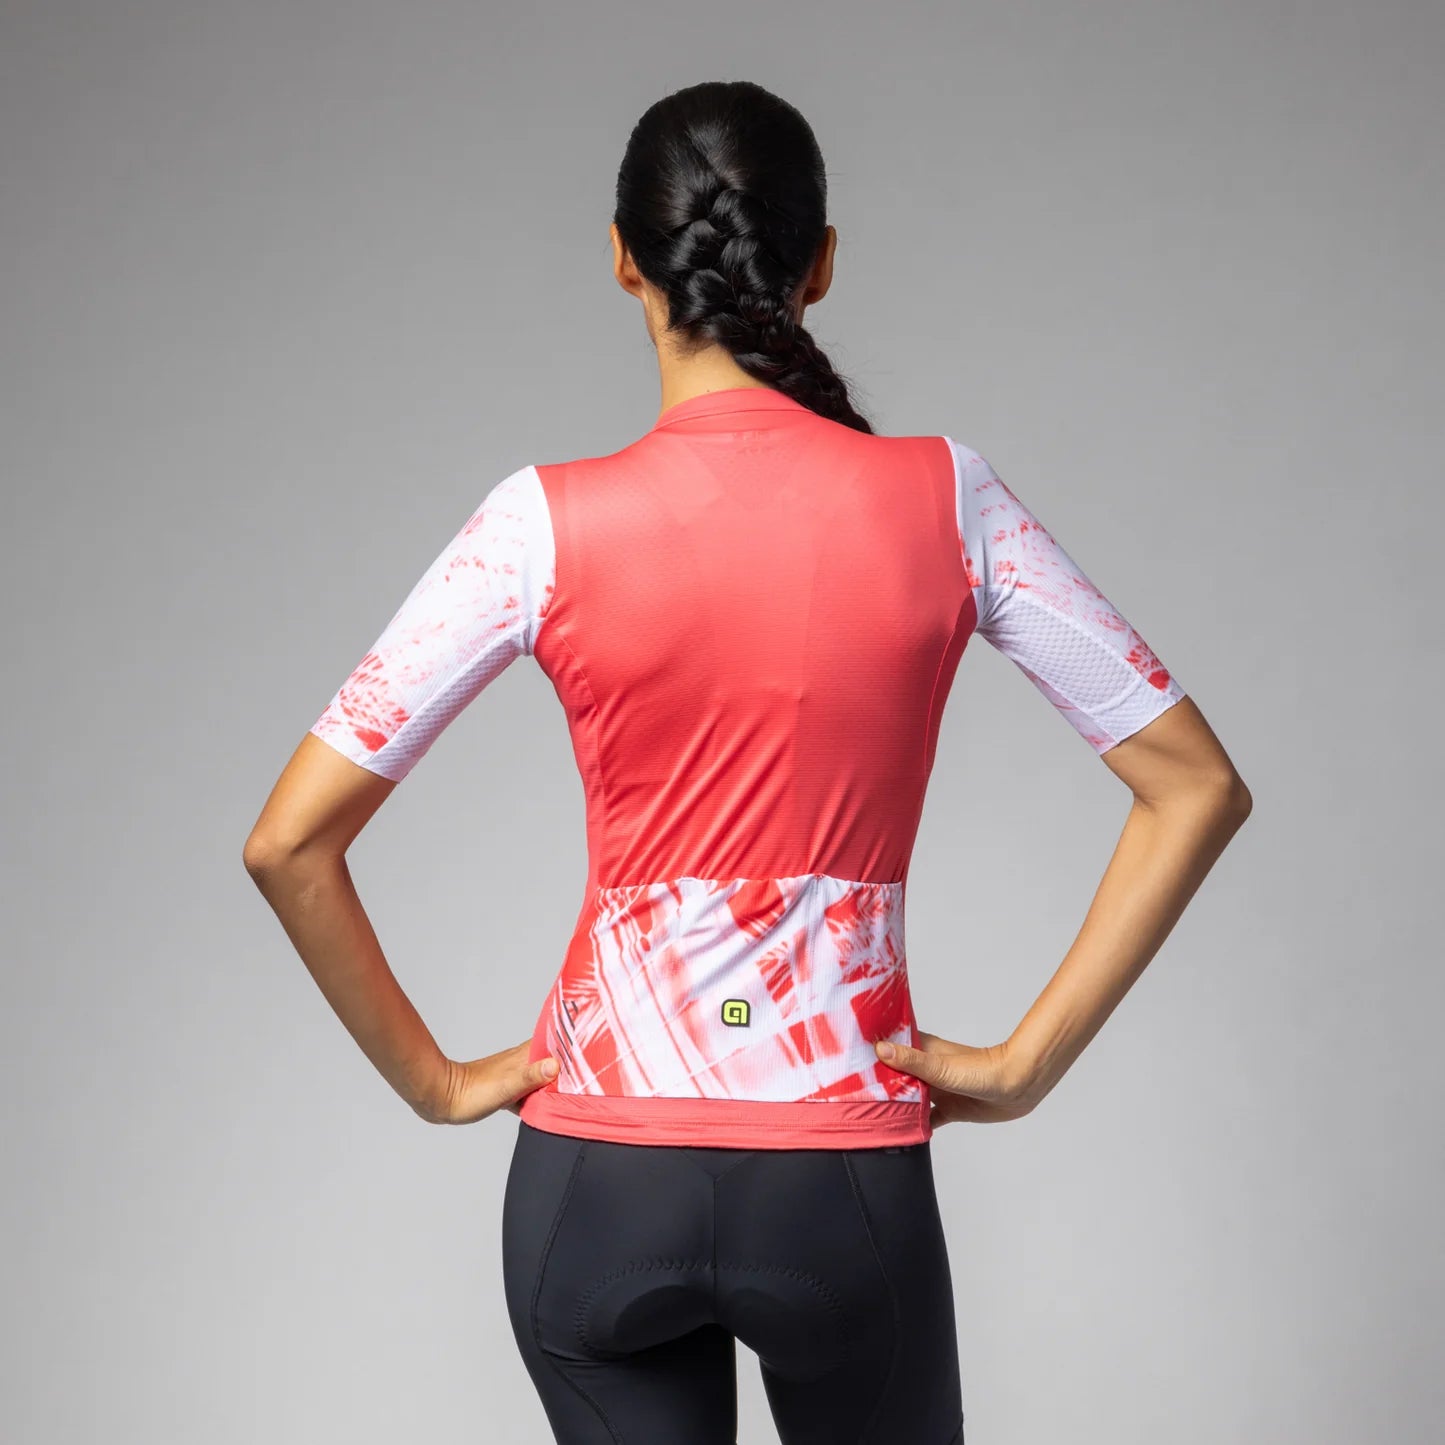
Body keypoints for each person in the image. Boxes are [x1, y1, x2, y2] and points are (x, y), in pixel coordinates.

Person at [243, 79, 1251, 1445]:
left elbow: (289, 841)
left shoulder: (537, 525)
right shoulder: (947, 499)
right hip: (841, 1182)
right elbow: (1195, 784)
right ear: (819, 263)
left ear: (623, 258)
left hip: (596, 1179)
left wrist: (439, 1083)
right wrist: (1026, 1062)